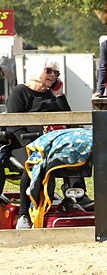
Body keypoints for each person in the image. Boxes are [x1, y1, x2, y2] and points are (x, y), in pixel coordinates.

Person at [3, 59, 88, 229]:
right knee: (34, 162)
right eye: (49, 71)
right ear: (36, 70)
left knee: (76, 153)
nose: (53, 75)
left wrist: (59, 95)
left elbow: (69, 120)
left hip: (52, 144)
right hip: (24, 143)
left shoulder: (51, 94)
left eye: (56, 73)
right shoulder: (20, 92)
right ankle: (24, 214)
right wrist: (35, 143)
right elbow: (13, 125)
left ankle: (76, 196)